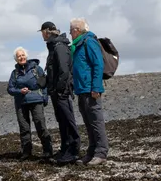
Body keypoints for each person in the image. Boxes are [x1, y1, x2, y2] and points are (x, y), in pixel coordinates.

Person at [69, 18, 110, 166]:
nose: (70, 34)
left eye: (71, 31)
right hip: (81, 89)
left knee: (96, 122)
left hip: (90, 89)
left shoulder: (89, 42)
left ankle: (101, 153)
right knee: (88, 122)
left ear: (77, 30)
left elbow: (98, 64)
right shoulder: (78, 44)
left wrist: (96, 88)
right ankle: (92, 152)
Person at [39, 21, 81, 165]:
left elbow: (64, 70)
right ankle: (65, 148)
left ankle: (73, 150)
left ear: (47, 32)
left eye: (42, 32)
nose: (42, 35)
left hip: (61, 91)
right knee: (62, 120)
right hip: (56, 91)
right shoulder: (54, 46)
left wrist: (59, 89)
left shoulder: (59, 46)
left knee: (68, 120)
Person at [6, 47, 54, 160]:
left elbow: (44, 84)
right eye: (18, 56)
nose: (21, 57)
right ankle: (26, 152)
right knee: (24, 128)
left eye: (23, 55)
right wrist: (20, 91)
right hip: (21, 102)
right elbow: (10, 89)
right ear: (16, 59)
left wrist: (44, 99)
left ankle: (48, 150)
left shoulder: (36, 69)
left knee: (40, 125)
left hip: (36, 100)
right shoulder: (14, 73)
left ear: (26, 56)